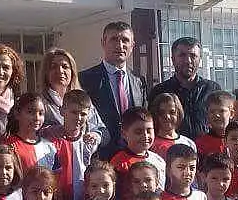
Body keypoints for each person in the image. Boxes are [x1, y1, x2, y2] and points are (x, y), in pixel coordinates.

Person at [78, 22, 146, 157]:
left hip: (133, 157)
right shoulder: (85, 79)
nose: (120, 45)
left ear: (132, 45)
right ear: (103, 43)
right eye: (114, 39)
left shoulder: (139, 81)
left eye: (125, 40)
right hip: (101, 157)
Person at [149, 37, 221, 139]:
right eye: (182, 55)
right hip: (171, 147)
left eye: (193, 56)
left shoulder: (212, 89)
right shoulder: (159, 92)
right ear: (173, 59)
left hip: (207, 147)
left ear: (200, 59)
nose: (188, 61)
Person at [39, 47, 106, 145]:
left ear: (72, 72)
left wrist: (96, 136)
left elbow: (104, 132)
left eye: (65, 66)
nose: (60, 71)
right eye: (53, 67)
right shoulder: (40, 103)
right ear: (46, 73)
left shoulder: (83, 100)